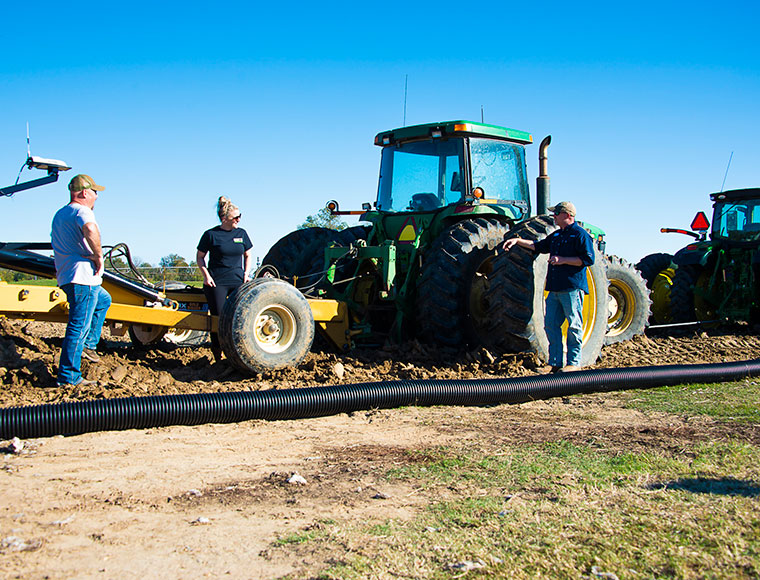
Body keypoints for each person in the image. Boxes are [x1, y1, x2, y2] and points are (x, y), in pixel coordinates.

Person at [501, 201, 595, 373]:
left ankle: (574, 363)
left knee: (573, 325)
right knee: (551, 325)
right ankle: (554, 362)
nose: (554, 216)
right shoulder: (557, 235)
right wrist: (517, 240)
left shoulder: (581, 235)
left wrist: (563, 260)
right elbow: (537, 246)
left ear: (567, 215)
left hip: (571, 288)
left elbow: (588, 259)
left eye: (557, 213)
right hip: (554, 288)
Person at [51, 174, 113, 388]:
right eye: (95, 192)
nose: (97, 197)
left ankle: (88, 345)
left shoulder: (60, 214)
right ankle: (69, 377)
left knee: (104, 300)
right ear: (85, 193)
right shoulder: (82, 211)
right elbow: (90, 229)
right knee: (78, 325)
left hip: (68, 276)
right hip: (83, 278)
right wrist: (97, 255)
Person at [196, 196, 254, 362]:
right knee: (219, 318)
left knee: (240, 316)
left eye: (240, 216)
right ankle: (218, 353)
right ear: (224, 219)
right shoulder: (211, 235)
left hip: (238, 280)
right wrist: (206, 276)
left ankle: (240, 352)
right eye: (235, 217)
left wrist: (246, 274)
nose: (238, 219)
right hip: (217, 281)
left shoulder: (241, 233)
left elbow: (248, 254)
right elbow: (200, 257)